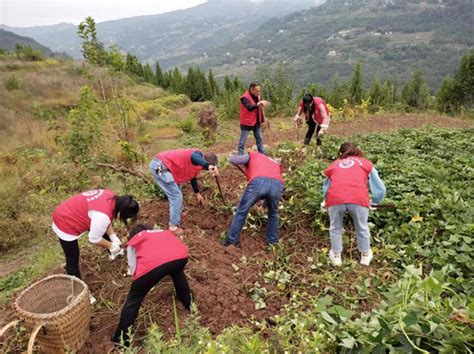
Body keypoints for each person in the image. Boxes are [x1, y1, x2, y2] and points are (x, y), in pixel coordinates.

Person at [112, 224, 191, 346]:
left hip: (153, 265)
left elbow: (133, 269)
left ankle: (121, 339)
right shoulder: (162, 232)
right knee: (177, 272)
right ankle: (189, 303)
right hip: (181, 257)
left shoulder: (134, 241)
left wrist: (142, 285)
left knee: (134, 298)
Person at [52, 189, 139, 279]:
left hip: (69, 209)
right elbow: (94, 239)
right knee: (72, 257)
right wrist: (111, 245)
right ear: (120, 213)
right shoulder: (101, 217)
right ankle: (78, 288)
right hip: (64, 221)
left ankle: (115, 253)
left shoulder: (110, 196)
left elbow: (107, 217)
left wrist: (113, 236)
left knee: (101, 228)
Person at [322, 143, 386, 266]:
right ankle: (365, 256)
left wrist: (325, 200)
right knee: (362, 226)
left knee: (335, 227)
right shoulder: (365, 163)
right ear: (357, 151)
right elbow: (380, 188)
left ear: (340, 154)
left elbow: (326, 187)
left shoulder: (334, 164)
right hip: (358, 197)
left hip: (335, 198)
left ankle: (336, 256)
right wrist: (375, 201)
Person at [223, 152, 284, 247]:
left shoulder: (253, 155)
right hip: (277, 184)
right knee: (273, 213)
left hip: (258, 182)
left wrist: (231, 155)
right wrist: (264, 206)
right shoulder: (273, 162)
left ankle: (231, 241)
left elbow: (233, 160)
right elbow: (270, 183)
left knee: (241, 211)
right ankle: (272, 243)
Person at [149, 148, 219, 234]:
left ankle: (178, 213)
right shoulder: (196, 154)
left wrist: (197, 193)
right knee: (176, 196)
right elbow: (194, 156)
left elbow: (192, 177)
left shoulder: (197, 163)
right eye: (205, 168)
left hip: (166, 168)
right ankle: (173, 227)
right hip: (160, 167)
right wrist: (208, 166)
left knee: (178, 187)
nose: (203, 169)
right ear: (204, 161)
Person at [238, 82, 269, 155]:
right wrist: (258, 103)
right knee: (243, 141)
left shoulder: (258, 96)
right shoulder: (244, 98)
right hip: (246, 122)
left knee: (259, 138)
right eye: (257, 91)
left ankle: (262, 153)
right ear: (252, 89)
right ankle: (240, 155)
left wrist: (263, 119)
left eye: (259, 91)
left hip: (256, 121)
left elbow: (259, 109)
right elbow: (249, 107)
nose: (259, 92)